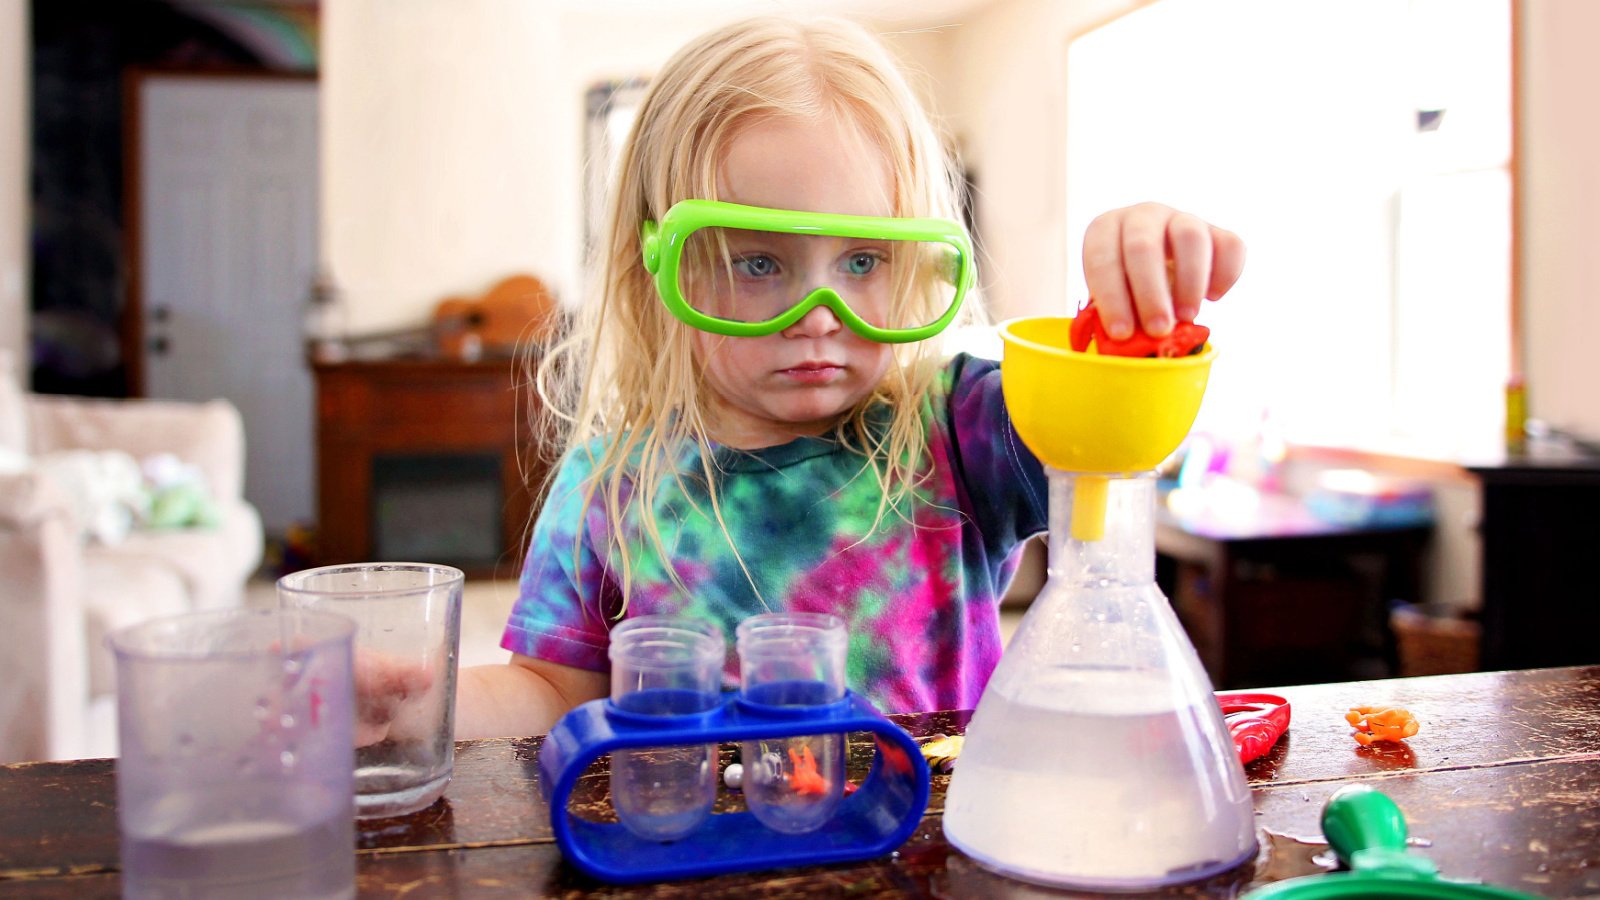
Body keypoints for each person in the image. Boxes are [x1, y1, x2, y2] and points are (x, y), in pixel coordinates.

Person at [444, 15, 1244, 741]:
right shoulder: (606, 488)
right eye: (758, 262)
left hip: (932, 853)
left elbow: (1115, 443)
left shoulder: (954, 427)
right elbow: (551, 693)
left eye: (862, 261)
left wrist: (1136, 320)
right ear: (659, 265)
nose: (820, 315)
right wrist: (420, 699)